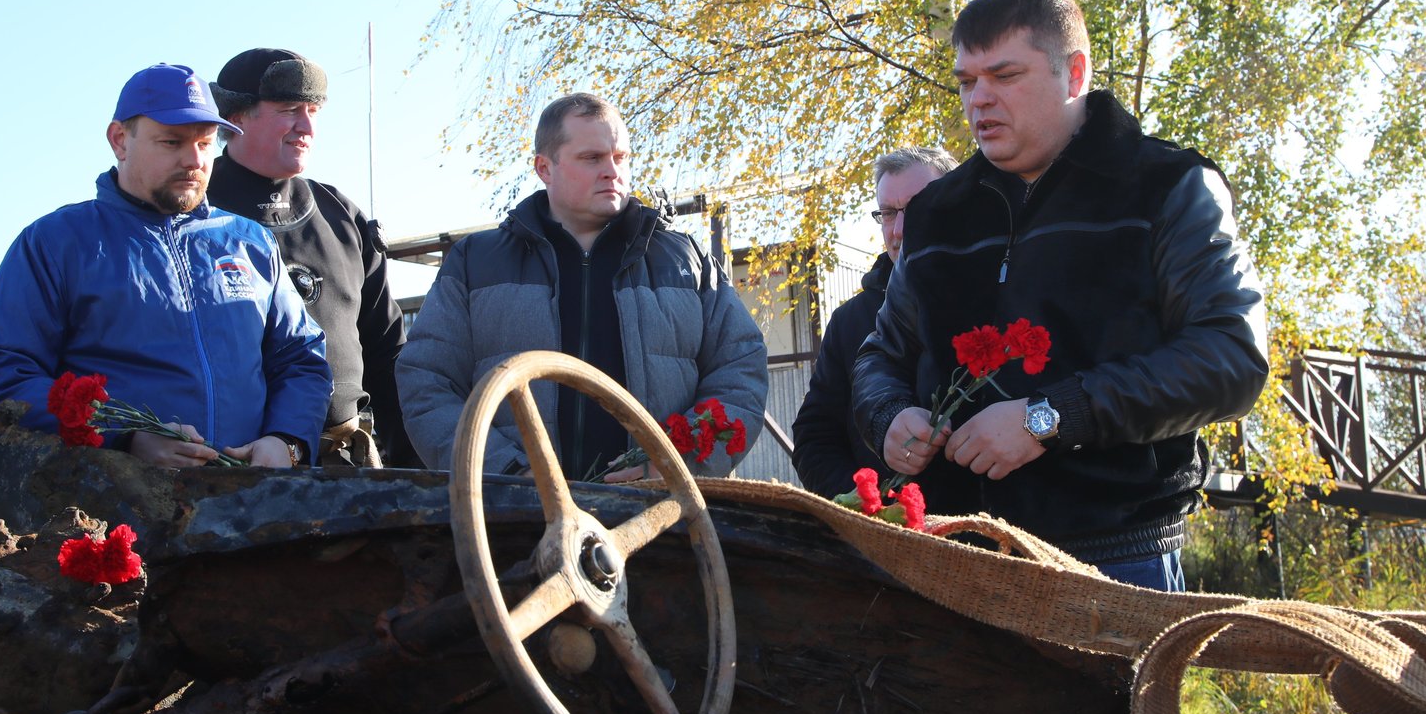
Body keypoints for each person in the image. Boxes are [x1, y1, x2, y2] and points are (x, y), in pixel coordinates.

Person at [851, 0, 1269, 714]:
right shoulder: (939, 215)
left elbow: (1231, 356)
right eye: (967, 81)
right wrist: (889, 417)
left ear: (1073, 72)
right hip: (959, 560)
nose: (979, 100)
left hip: (1109, 560)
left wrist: (1050, 417)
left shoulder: (1166, 187)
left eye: (1004, 76)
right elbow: (879, 357)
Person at [0, 63, 331, 469]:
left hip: (249, 498)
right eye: (172, 142)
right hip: (110, 499)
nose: (194, 159)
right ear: (120, 140)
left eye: (205, 143)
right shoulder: (56, 242)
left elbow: (301, 358)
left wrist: (288, 440)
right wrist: (122, 438)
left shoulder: (251, 242)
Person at [397, 93, 768, 479]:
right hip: (511, 511)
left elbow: (740, 372)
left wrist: (671, 464)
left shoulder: (687, 261)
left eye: (620, 157)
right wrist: (508, 473)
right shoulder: (475, 262)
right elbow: (427, 382)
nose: (612, 171)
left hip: (660, 508)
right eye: (592, 158)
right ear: (545, 168)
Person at [207, 47, 414, 466]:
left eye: (313, 111)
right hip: (232, 468)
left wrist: (419, 472)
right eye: (288, 110)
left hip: (347, 465)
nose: (306, 127)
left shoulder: (341, 215)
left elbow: (388, 354)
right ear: (236, 116)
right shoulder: (191, 215)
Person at [791, 146, 955, 497]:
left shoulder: (1004, 294)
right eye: (888, 213)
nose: (899, 230)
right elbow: (814, 439)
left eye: (919, 207)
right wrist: (866, 503)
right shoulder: (849, 322)